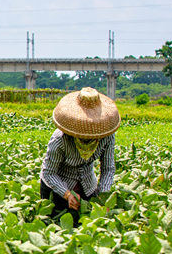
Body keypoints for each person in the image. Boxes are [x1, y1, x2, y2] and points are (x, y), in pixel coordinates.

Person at [40, 87, 120, 227]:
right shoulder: (60, 139)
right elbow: (49, 173)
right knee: (58, 223)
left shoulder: (106, 136)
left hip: (87, 184)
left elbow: (108, 168)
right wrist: (67, 194)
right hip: (57, 185)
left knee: (86, 223)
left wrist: (103, 197)